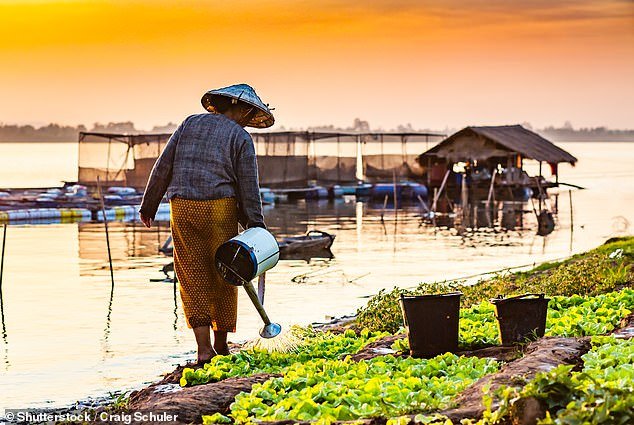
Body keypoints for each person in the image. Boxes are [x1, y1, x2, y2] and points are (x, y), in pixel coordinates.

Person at [139, 83, 274, 365]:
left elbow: (163, 166)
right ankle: (221, 346)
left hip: (183, 207)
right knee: (226, 274)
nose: (249, 119)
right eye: (249, 113)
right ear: (241, 108)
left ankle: (203, 351)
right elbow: (249, 185)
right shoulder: (240, 138)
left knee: (192, 275)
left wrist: (149, 205)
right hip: (219, 209)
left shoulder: (189, 123)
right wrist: (256, 225)